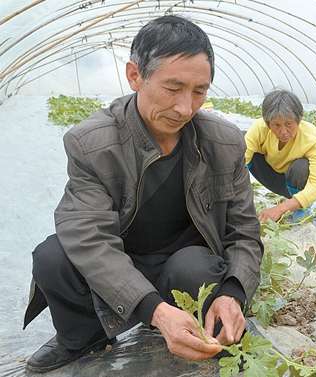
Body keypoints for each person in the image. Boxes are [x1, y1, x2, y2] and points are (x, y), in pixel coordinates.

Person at [22, 15, 263, 373]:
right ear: (135, 75)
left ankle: (201, 329)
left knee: (194, 267)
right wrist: (154, 309)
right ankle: (83, 337)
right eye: (173, 87)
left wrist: (233, 293)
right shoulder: (91, 143)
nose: (186, 107)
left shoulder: (223, 142)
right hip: (121, 259)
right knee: (53, 257)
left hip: (183, 266)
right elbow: (88, 237)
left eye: (200, 91)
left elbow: (244, 232)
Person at [245, 89, 316, 222]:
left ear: (299, 120)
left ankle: (299, 207)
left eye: (289, 124)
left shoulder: (313, 138)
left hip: (295, 183)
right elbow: (239, 162)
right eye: (276, 125)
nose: (283, 131)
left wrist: (280, 209)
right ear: (267, 123)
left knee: (301, 167)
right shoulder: (260, 128)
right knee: (241, 149)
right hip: (270, 177)